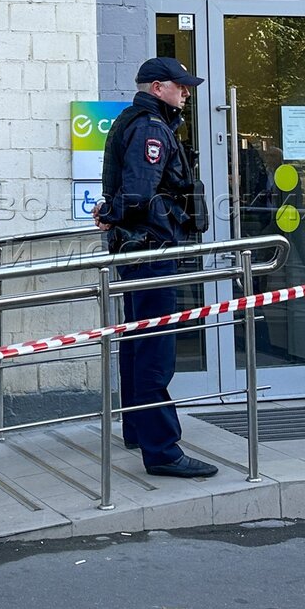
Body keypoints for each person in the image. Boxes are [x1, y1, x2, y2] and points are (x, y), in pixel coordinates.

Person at [93, 57, 218, 479]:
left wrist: (111, 212)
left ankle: (138, 431)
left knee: (137, 341)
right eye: (180, 86)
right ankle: (162, 450)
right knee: (155, 349)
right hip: (151, 249)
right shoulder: (151, 127)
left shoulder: (138, 121)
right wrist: (113, 212)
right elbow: (139, 190)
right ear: (157, 87)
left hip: (140, 248)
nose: (186, 93)